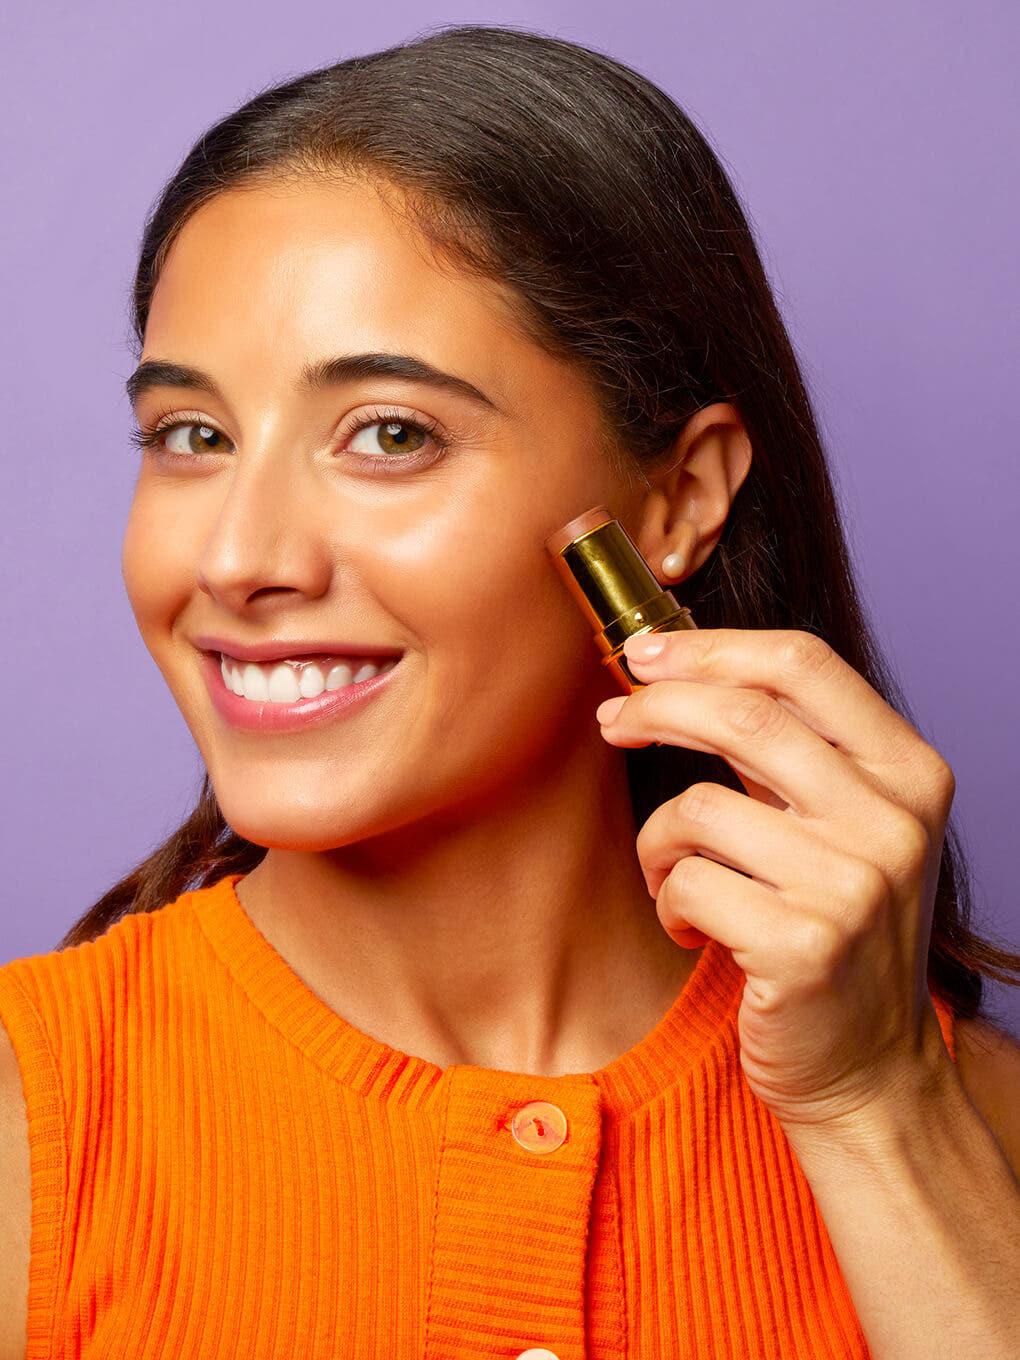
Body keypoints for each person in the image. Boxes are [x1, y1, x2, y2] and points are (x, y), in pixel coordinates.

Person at [1, 23, 1018, 1360]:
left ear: (679, 500)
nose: (238, 559)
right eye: (193, 436)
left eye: (389, 434)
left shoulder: (965, 1130)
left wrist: (877, 1113)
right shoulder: (36, 1123)